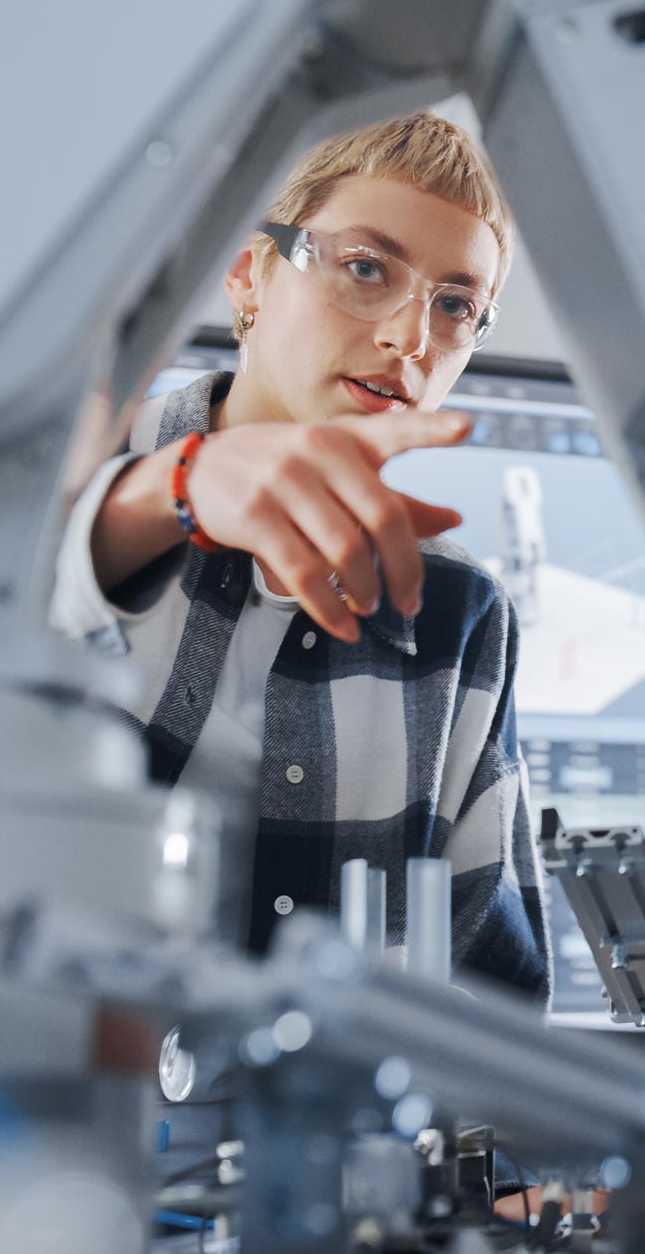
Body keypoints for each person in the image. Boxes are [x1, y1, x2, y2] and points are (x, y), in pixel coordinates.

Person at [51, 113, 549, 1000]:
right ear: (249, 274)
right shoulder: (68, 470)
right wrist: (176, 490)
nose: (411, 339)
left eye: (455, 305)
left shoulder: (457, 609)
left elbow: (492, 983)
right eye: (367, 269)